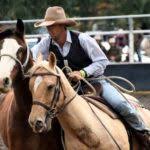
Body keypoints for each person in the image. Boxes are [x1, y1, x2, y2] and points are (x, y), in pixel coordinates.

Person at [31, 6, 150, 147]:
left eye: (52, 26)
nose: (49, 30)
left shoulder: (82, 39)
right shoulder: (46, 43)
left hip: (95, 83)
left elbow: (102, 61)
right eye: (47, 27)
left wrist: (82, 73)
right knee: (50, 117)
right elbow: (31, 57)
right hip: (66, 90)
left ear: (62, 25)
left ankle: (144, 134)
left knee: (121, 104)